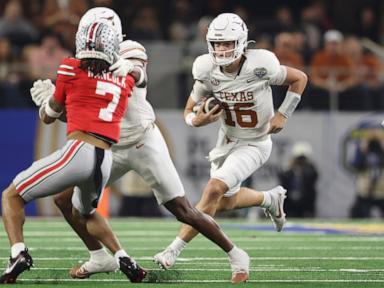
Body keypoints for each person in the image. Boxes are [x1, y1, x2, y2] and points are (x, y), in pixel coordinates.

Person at [35, 7, 252, 284]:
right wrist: (50, 105)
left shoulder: (128, 53)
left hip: (142, 142)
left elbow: (140, 75)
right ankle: (99, 257)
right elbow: (75, 116)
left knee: (183, 210)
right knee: (65, 200)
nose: (93, 40)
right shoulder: (79, 66)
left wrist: (131, 70)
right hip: (108, 147)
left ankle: (236, 254)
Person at [154, 12, 307, 272]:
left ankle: (173, 250)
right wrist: (196, 121)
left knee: (212, 190)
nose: (221, 49)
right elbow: (189, 110)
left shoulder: (261, 63)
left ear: (241, 41)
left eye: (227, 43)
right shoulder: (206, 68)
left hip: (256, 143)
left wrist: (283, 113)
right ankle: (269, 199)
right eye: (217, 43)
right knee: (224, 202)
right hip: (226, 142)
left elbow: (299, 78)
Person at [0, 21, 142, 284]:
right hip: (104, 159)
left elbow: (50, 115)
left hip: (79, 151)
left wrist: (45, 102)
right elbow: (137, 76)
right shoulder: (125, 79)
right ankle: (122, 257)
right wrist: (133, 68)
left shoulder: (70, 66)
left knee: (11, 196)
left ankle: (18, 253)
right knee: (82, 211)